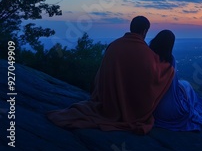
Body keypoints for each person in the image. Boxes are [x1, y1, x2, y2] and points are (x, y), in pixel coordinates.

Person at [46, 16, 175, 135]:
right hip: (133, 110)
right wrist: (169, 68)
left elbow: (100, 75)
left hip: (107, 102)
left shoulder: (114, 46)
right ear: (145, 31)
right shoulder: (147, 54)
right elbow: (155, 77)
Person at [149, 30, 202, 131]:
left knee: (184, 85)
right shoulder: (170, 60)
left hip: (151, 108)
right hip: (171, 110)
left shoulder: (148, 57)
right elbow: (172, 85)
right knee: (186, 86)